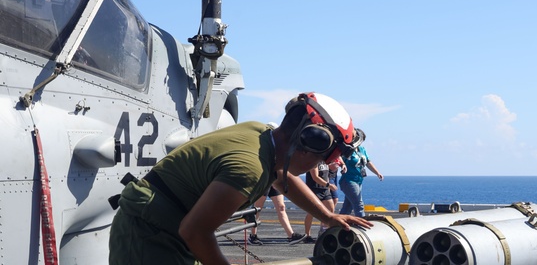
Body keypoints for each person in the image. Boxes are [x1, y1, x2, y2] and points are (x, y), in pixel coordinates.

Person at [109, 92, 372, 265]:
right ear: (308, 141)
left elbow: (281, 179)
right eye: (325, 157)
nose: (323, 164)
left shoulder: (264, 136)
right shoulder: (249, 167)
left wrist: (327, 217)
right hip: (148, 233)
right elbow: (195, 231)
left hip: (171, 227)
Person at [339, 132, 383, 218]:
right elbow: (338, 156)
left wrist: (377, 173)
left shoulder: (362, 150)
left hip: (358, 181)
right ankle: (362, 225)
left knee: (348, 207)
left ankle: (337, 225)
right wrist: (342, 165)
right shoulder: (347, 150)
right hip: (348, 180)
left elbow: (368, 162)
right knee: (359, 204)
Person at [303, 161, 337, 243]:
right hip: (314, 189)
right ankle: (307, 235)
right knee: (311, 213)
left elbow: (327, 175)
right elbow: (315, 177)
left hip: (325, 190)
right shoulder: (314, 161)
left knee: (330, 210)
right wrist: (328, 185)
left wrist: (328, 188)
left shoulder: (325, 161)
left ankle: (323, 232)